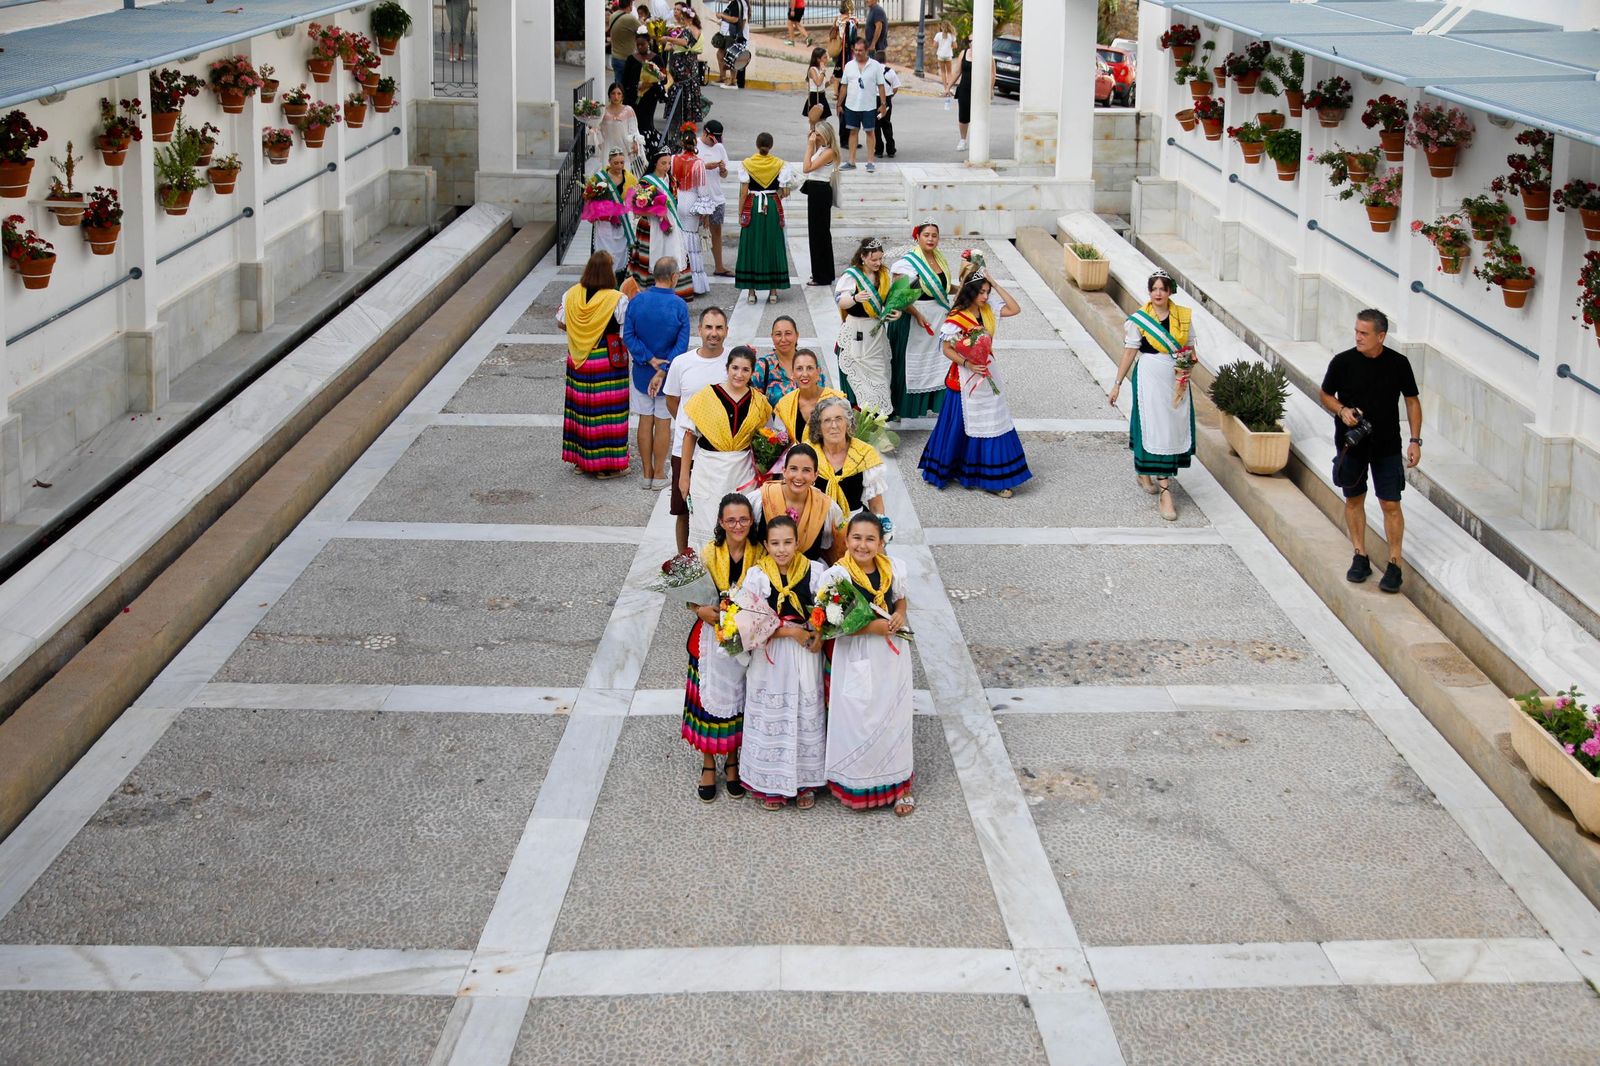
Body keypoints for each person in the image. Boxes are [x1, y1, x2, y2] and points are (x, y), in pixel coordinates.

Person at [1319, 308, 1422, 593]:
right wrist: (1341, 411)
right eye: (1356, 331)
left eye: (1364, 333)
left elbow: (1412, 401)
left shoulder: (1399, 364)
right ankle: (1359, 555)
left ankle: (1394, 564)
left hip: (1387, 444)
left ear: (1381, 336)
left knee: (1390, 503)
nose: (1358, 337)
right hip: (1351, 445)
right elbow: (1325, 394)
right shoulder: (1342, 362)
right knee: (1354, 499)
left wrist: (1415, 440)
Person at [823, 512, 914, 817]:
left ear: (880, 542)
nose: (862, 545)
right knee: (858, 716)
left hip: (891, 653)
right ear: (846, 540)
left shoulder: (892, 568)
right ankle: (857, 780)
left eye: (870, 539)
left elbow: (900, 598)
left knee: (893, 716)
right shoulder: (837, 576)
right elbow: (834, 622)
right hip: (857, 651)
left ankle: (899, 783)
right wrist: (872, 628)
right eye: (856, 538)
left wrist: (900, 613)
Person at [737, 516, 828, 809]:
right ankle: (770, 782)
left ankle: (804, 782)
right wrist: (792, 632)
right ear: (765, 544)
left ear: (798, 542)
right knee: (771, 712)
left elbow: (827, 610)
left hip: (805, 653)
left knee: (804, 709)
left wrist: (819, 634)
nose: (781, 549)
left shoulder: (815, 571)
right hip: (773, 654)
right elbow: (749, 623)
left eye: (788, 542)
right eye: (774, 543)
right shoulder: (757, 575)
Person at [918, 262, 1030, 497]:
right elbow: (947, 349)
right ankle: (964, 468)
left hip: (988, 372)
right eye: (981, 291)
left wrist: (995, 283)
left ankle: (993, 475)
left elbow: (1015, 308)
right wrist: (967, 363)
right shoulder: (957, 318)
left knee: (993, 420)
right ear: (970, 291)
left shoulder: (989, 310)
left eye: (987, 291)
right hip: (964, 376)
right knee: (961, 424)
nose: (985, 296)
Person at [682, 493, 763, 801]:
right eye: (731, 520)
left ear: (751, 521)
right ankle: (707, 762)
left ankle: (732, 760)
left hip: (743, 637)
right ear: (720, 522)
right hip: (709, 634)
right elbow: (692, 593)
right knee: (706, 701)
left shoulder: (760, 553)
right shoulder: (709, 552)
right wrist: (699, 609)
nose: (737, 525)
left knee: (740, 699)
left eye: (743, 519)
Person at [1108, 270, 1198, 522]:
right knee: (1152, 425)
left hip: (1176, 379)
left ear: (1170, 291)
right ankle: (1165, 491)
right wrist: (1117, 384)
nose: (1158, 293)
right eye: (1154, 289)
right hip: (1149, 376)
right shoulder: (1139, 319)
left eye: (1163, 289)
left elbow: (1190, 349)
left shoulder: (1182, 316)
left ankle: (1143, 470)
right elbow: (1129, 352)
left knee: (1169, 427)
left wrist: (1187, 369)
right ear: (1149, 292)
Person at [679, 346, 775, 550]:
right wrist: (683, 475)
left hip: (742, 472)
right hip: (708, 470)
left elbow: (766, 439)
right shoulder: (706, 396)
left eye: (745, 370)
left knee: (740, 526)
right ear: (727, 368)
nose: (739, 374)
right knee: (706, 525)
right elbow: (690, 436)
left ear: (752, 372)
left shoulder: (760, 403)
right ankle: (707, 578)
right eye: (735, 368)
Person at [555, 252, 631, 479]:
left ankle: (581, 462)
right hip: (605, 361)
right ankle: (606, 466)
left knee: (581, 409)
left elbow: (561, 322)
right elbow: (624, 329)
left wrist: (582, 333)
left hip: (578, 359)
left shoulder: (571, 294)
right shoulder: (617, 299)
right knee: (608, 412)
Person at [665, 307, 735, 554]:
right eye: (708, 327)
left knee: (720, 506)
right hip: (684, 451)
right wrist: (690, 425)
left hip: (719, 454)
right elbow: (672, 401)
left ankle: (720, 556)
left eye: (718, 328)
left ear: (726, 331)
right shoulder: (681, 363)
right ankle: (684, 557)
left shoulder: (732, 363)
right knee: (682, 509)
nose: (713, 333)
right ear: (699, 330)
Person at [622, 256, 691, 490]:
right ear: (673, 277)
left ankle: (646, 473)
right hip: (668, 374)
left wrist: (649, 359)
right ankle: (660, 474)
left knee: (644, 419)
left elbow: (629, 336)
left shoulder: (637, 302)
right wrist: (662, 369)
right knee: (663, 422)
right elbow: (681, 346)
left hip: (642, 371)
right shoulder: (680, 306)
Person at [888, 221, 954, 419]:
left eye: (934, 235)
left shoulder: (939, 259)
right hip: (914, 319)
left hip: (937, 316)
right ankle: (904, 408)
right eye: (926, 235)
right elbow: (898, 296)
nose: (931, 239)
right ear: (917, 237)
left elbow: (943, 288)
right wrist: (917, 314)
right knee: (911, 364)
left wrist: (968, 289)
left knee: (936, 361)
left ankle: (932, 405)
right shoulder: (906, 263)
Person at [749, 444, 844, 562]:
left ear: (815, 475)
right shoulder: (761, 499)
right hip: (766, 575)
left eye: (806, 470)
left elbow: (836, 549)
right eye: (793, 469)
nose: (799, 477)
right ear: (784, 471)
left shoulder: (826, 507)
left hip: (809, 576)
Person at [835, 237, 896, 416]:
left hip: (876, 331)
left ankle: (880, 415)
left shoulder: (883, 275)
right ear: (863, 257)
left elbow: (890, 300)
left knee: (881, 374)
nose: (878, 263)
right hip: (857, 330)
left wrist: (894, 312)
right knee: (860, 376)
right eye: (874, 259)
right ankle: (864, 415)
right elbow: (840, 300)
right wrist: (854, 298)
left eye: (880, 259)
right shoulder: (852, 276)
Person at [735, 132, 792, 305]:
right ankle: (773, 292)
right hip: (772, 205)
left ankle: (751, 293)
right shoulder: (781, 164)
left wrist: (740, 213)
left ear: (757, 144)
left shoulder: (747, 164)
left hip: (752, 204)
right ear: (771, 145)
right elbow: (785, 191)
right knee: (773, 244)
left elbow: (744, 192)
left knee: (751, 244)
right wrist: (777, 195)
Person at [628, 152, 692, 296]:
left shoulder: (672, 180)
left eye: (669, 163)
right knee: (650, 257)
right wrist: (654, 213)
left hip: (670, 223)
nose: (667, 167)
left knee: (673, 252)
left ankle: (673, 290)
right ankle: (647, 292)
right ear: (655, 163)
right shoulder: (644, 182)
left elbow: (675, 202)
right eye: (663, 163)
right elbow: (635, 207)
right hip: (650, 226)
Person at [810, 395, 886, 514]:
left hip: (855, 526)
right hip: (817, 524)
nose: (834, 426)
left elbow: (876, 506)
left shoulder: (864, 454)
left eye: (839, 419)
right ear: (819, 427)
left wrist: (883, 531)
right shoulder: (807, 453)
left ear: (848, 423)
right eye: (827, 420)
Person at [771, 350, 845, 445]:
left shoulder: (837, 399)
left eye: (810, 368)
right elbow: (780, 442)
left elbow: (847, 438)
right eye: (799, 368)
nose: (805, 374)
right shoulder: (784, 404)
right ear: (792, 373)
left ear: (818, 372)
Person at [671, 127, 712, 295]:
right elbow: (703, 190)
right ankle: (693, 282)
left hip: (677, 199)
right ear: (694, 143)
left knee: (678, 237)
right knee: (691, 240)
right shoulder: (698, 163)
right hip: (691, 200)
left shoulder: (673, 159)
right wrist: (706, 212)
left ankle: (677, 278)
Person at [837, 37, 887, 172]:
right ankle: (851, 161)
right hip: (851, 105)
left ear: (866, 51)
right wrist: (839, 104)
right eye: (856, 50)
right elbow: (844, 86)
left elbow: (881, 86)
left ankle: (870, 162)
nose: (857, 53)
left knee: (870, 132)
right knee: (853, 132)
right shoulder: (849, 66)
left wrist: (883, 104)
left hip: (869, 106)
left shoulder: (875, 65)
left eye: (860, 50)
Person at [801, 122, 841, 287]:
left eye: (818, 134)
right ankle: (821, 272)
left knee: (820, 234)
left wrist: (810, 146)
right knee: (816, 233)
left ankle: (822, 275)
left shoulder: (829, 152)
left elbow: (806, 167)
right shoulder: (821, 149)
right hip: (815, 191)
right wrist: (811, 142)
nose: (814, 137)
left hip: (820, 191)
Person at [755, 316, 829, 404]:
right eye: (778, 334)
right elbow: (754, 403)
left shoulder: (810, 362)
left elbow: (822, 397)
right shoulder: (763, 366)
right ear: (772, 337)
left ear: (797, 335)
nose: (783, 339)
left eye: (788, 333)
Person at [589, 148, 637, 278]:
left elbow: (634, 197)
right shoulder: (599, 178)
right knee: (605, 251)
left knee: (620, 251)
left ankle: (618, 279)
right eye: (616, 163)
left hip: (622, 221)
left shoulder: (630, 177)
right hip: (605, 222)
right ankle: (602, 278)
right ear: (609, 162)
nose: (619, 166)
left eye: (622, 162)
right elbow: (589, 196)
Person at [697, 122, 733, 278]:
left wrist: (723, 170)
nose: (714, 143)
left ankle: (719, 266)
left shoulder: (720, 148)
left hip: (716, 196)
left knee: (716, 230)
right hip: (698, 196)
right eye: (712, 139)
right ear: (705, 133)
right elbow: (687, 168)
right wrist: (705, 166)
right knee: (693, 231)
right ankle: (693, 267)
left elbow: (724, 175)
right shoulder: (695, 145)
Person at [598, 82, 646, 178]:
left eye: (619, 93)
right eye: (613, 93)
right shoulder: (602, 111)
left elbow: (634, 130)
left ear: (622, 96)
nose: (616, 96)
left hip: (624, 151)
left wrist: (635, 143)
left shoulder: (628, 110)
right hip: (607, 150)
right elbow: (597, 129)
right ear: (609, 95)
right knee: (608, 179)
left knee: (624, 179)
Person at [945, 36, 977, 151]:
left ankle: (978, 140)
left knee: (978, 115)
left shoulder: (985, 54)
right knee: (963, 115)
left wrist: (990, 89)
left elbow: (992, 74)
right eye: (970, 41)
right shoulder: (964, 54)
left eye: (975, 40)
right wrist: (948, 87)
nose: (972, 43)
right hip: (965, 88)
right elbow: (957, 71)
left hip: (979, 90)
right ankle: (963, 140)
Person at [609, 2, 641, 89]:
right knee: (628, 88)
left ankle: (617, 101)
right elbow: (643, 30)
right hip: (626, 59)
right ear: (629, 4)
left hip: (615, 57)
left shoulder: (613, 15)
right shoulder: (630, 18)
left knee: (618, 86)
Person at [716, 0, 747, 89]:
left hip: (731, 33)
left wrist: (721, 15)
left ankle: (733, 80)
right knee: (720, 53)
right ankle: (723, 77)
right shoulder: (732, 3)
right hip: (725, 32)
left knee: (731, 56)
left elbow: (735, 19)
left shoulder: (737, 3)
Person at [873, 63, 899, 159]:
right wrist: (890, 97)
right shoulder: (890, 71)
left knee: (876, 126)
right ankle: (891, 149)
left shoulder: (873, 70)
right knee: (887, 124)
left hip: (874, 99)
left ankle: (879, 150)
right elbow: (896, 87)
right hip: (887, 99)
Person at [804, 47, 833, 129]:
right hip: (814, 97)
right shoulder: (812, 69)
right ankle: (812, 139)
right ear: (818, 59)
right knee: (814, 121)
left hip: (822, 96)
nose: (827, 59)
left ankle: (819, 138)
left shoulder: (820, 69)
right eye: (825, 57)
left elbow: (822, 86)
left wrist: (830, 82)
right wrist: (823, 71)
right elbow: (817, 83)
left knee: (822, 121)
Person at [831, 1, 858, 81]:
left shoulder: (838, 19)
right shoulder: (854, 20)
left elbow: (835, 29)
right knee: (849, 66)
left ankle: (837, 92)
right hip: (849, 46)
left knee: (838, 69)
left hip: (839, 46)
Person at [934, 20, 957, 87]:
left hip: (940, 55)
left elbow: (934, 45)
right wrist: (950, 46)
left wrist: (940, 45)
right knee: (949, 72)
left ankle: (945, 88)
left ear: (941, 27)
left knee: (943, 72)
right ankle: (949, 89)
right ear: (949, 27)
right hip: (948, 55)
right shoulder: (952, 35)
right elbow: (955, 46)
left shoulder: (938, 35)